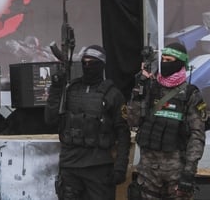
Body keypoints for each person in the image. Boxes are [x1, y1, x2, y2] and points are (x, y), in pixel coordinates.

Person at [44, 45, 131, 200]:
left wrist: (120, 167)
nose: (87, 66)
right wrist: (57, 88)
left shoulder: (113, 94)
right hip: (70, 166)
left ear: (102, 65)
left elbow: (123, 134)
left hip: (98, 168)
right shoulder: (71, 89)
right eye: (84, 62)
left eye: (93, 63)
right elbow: (50, 120)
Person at [127, 42, 207, 199]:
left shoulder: (190, 94)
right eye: (162, 59)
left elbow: (197, 136)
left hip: (176, 174)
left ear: (180, 63)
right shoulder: (150, 88)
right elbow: (133, 121)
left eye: (169, 60)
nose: (164, 63)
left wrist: (189, 172)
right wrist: (138, 91)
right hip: (148, 173)